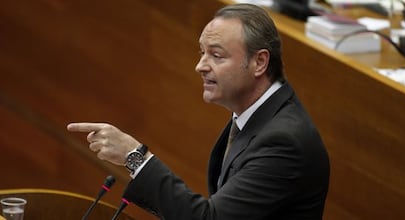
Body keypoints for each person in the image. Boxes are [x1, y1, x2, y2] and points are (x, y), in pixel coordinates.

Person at [67, 3, 330, 220]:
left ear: (259, 62)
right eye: (202, 53)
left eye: (216, 55)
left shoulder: (285, 142)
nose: (200, 66)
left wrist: (135, 157)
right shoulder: (257, 114)